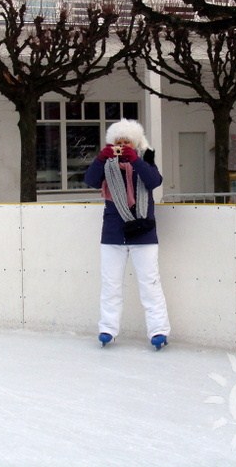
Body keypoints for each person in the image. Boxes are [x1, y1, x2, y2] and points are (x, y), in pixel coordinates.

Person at [83, 119, 171, 351]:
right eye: (118, 142)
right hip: (113, 233)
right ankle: (108, 328)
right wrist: (101, 158)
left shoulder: (146, 158)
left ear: (135, 142)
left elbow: (154, 181)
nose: (122, 146)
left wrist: (135, 160)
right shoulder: (107, 164)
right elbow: (90, 181)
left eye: (127, 142)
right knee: (110, 284)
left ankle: (159, 329)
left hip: (143, 232)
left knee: (150, 283)